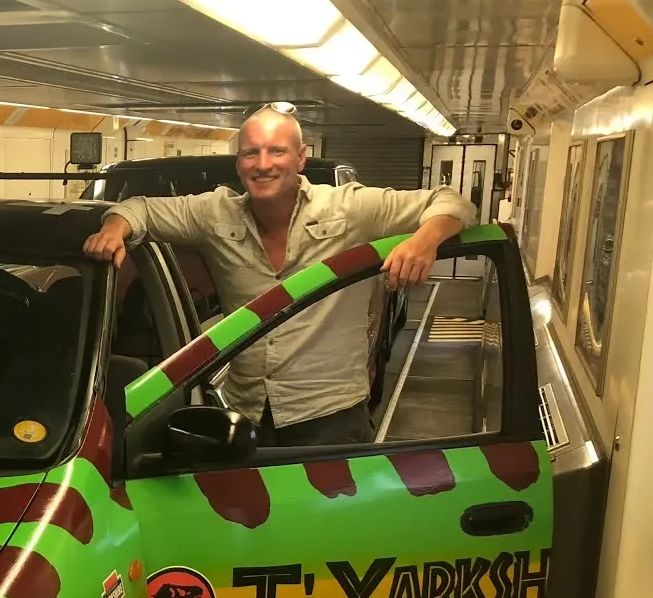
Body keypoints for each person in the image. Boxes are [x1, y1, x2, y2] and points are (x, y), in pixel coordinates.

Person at [84, 106, 478, 445]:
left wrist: (425, 239)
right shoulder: (214, 214)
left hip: (330, 415)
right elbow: (140, 208)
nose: (263, 164)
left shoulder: (350, 208)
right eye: (250, 153)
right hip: (246, 416)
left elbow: (454, 202)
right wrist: (116, 227)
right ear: (239, 162)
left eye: (277, 151)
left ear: (301, 158)